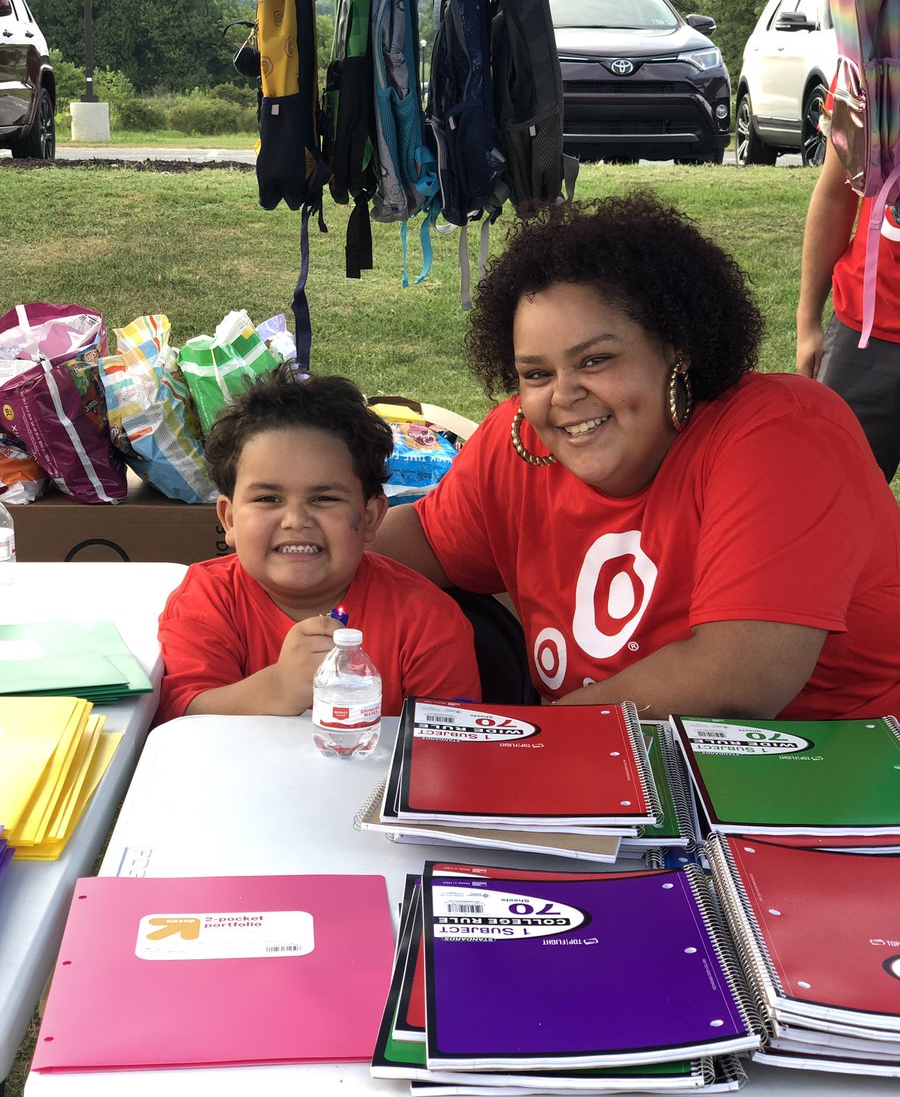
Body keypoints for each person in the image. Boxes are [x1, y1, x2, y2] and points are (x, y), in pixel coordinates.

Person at [371, 191, 900, 721]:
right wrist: (300, 547)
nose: (562, 395)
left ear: (677, 347)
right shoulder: (518, 441)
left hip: (834, 774)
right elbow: (414, 543)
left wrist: (535, 744)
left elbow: (739, 679)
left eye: (595, 360)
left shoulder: (784, 435)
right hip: (618, 773)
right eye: (536, 373)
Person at [156, 366, 481, 722]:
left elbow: (450, 749)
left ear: (371, 516)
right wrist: (279, 689)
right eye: (267, 498)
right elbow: (180, 724)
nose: (295, 520)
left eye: (324, 498)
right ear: (229, 519)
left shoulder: (429, 621)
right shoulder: (204, 600)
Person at [796, 131, 900, 483]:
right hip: (864, 332)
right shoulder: (871, 75)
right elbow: (836, 194)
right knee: (829, 492)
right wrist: (808, 318)